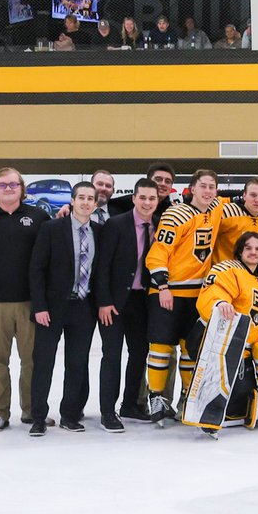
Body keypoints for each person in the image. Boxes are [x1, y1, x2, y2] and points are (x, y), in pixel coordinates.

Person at [0, 167, 49, 431]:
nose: (8, 189)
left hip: (30, 302)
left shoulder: (38, 217)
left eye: (13, 184)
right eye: (2, 185)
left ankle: (32, 410)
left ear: (21, 188)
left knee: (32, 360)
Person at [143, 170, 226, 422]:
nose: (208, 191)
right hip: (168, 292)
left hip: (197, 295)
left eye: (212, 186)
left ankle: (187, 396)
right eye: (203, 186)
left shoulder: (216, 209)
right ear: (192, 188)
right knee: (161, 347)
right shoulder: (176, 214)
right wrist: (163, 286)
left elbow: (240, 200)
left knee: (191, 349)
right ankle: (156, 397)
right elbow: (158, 252)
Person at [27, 181, 101, 436]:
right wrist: (39, 306)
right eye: (81, 197)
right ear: (72, 200)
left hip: (83, 307)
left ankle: (69, 415)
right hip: (52, 308)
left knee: (77, 363)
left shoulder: (99, 232)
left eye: (90, 198)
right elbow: (37, 269)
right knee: (43, 363)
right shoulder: (52, 228)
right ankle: (38, 417)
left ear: (95, 204)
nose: (85, 202)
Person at [196, 232, 258, 430]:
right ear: (240, 251)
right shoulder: (228, 269)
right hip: (220, 348)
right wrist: (220, 302)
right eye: (248, 248)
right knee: (226, 398)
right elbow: (214, 290)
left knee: (239, 405)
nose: (253, 252)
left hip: (245, 352)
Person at [93, 178, 158, 431]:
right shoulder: (116, 224)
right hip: (115, 301)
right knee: (112, 355)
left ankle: (130, 404)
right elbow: (102, 265)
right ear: (133, 198)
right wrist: (104, 301)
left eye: (152, 198)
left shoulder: (159, 225)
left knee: (139, 353)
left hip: (142, 301)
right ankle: (107, 411)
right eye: (142, 198)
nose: (147, 203)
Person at [216, 176, 258, 264]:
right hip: (226, 270)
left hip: (252, 269)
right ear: (244, 195)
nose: (257, 200)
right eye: (253, 195)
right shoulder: (226, 212)